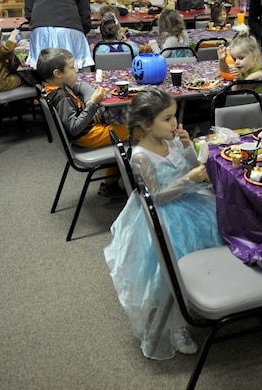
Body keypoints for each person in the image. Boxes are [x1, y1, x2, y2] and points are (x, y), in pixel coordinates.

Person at [103, 87, 221, 359]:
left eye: (174, 117)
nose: (174, 124)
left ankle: (206, 293)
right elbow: (155, 197)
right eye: (167, 119)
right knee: (170, 268)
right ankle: (175, 325)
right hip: (166, 213)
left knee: (218, 231)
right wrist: (189, 179)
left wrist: (188, 144)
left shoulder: (172, 139)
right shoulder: (141, 156)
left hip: (192, 201)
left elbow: (193, 166)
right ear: (146, 125)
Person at [37, 47, 129, 199]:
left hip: (89, 131)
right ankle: (131, 185)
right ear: (58, 74)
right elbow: (74, 128)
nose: (77, 69)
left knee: (119, 133)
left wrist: (88, 101)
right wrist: (92, 103)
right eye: (72, 67)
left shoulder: (54, 86)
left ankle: (110, 184)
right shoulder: (62, 98)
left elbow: (80, 86)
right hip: (87, 136)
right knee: (137, 130)